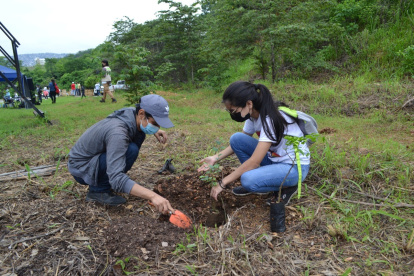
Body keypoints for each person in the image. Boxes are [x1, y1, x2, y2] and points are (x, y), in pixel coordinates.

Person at [198, 81, 310, 205]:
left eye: (233, 110)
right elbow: (240, 143)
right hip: (274, 160)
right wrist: (215, 158)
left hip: (293, 168)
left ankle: (286, 187)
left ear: (249, 103)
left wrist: (222, 183)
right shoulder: (253, 115)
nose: (232, 114)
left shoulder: (271, 119)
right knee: (237, 138)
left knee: (247, 180)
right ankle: (265, 178)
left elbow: (254, 161)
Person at [68, 94, 174, 212]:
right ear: (141, 114)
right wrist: (153, 196)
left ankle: (109, 181)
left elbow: (140, 120)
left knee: (138, 137)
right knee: (131, 150)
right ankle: (98, 191)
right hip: (81, 168)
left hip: (93, 158)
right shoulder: (118, 133)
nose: (156, 126)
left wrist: (154, 129)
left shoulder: (132, 114)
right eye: (155, 123)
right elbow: (116, 178)